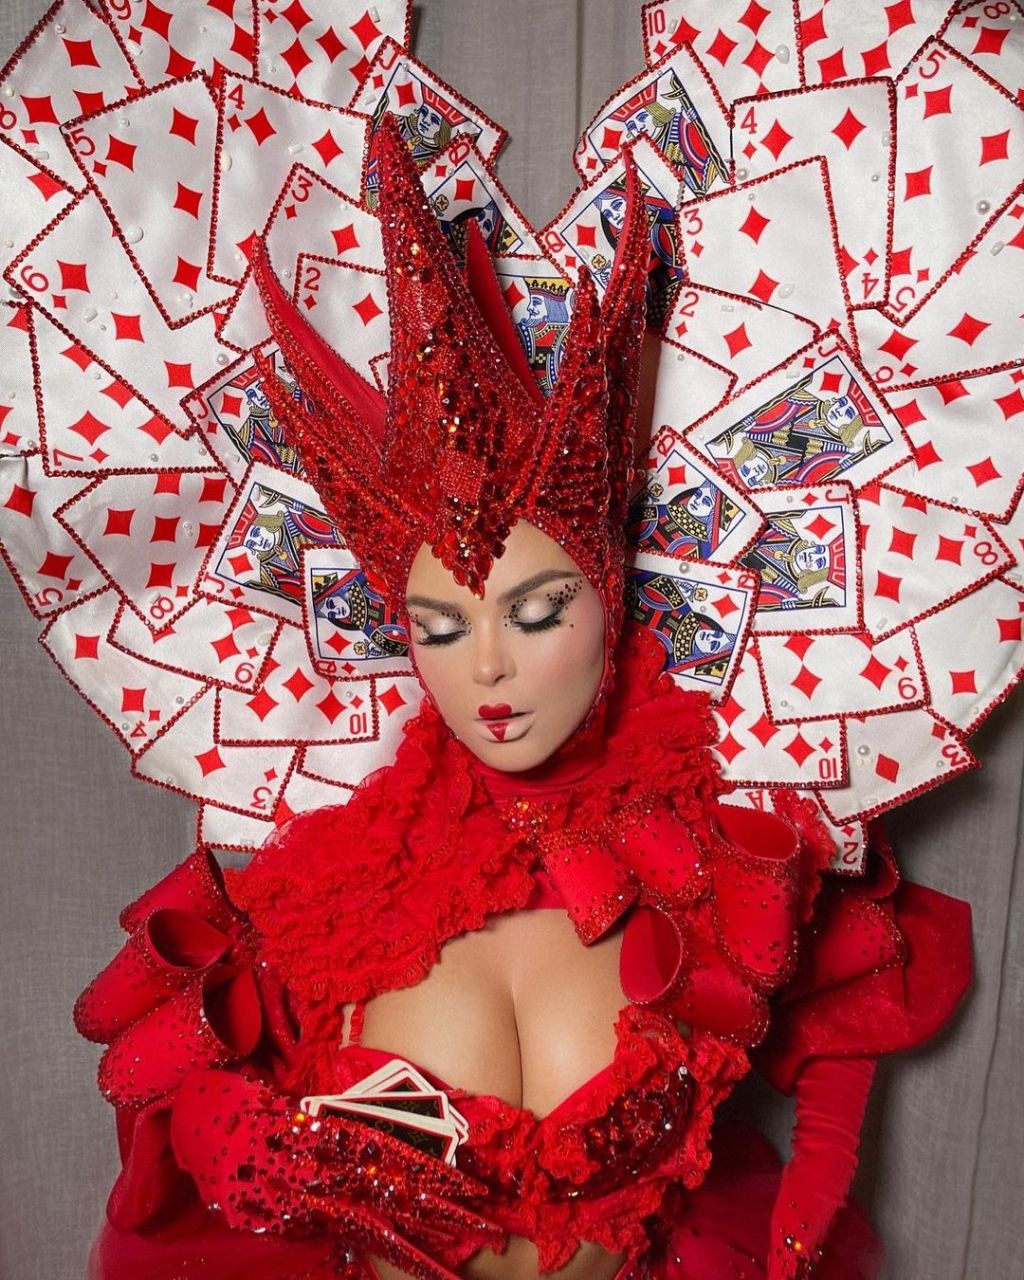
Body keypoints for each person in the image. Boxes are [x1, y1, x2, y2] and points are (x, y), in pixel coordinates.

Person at [75, 120, 971, 1280]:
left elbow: (842, 1068)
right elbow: (166, 1099)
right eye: (441, 627)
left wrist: (798, 1234)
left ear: (610, 596)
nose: (487, 668)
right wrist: (245, 1143)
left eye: (538, 612)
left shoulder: (719, 866)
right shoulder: (334, 891)